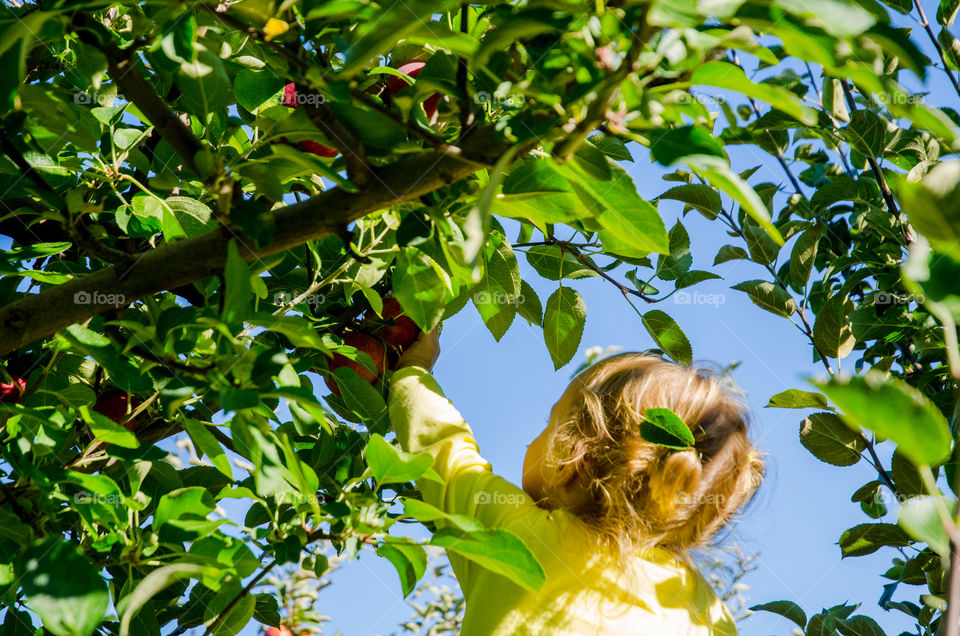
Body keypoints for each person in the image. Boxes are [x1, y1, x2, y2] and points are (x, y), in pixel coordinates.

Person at [388, 328, 764, 635]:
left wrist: (413, 369)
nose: (530, 440)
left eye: (548, 423)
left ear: (569, 458)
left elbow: (443, 449)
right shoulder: (707, 615)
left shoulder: (514, 534)